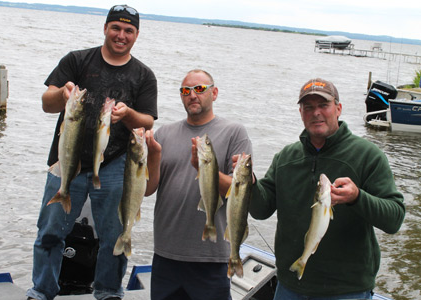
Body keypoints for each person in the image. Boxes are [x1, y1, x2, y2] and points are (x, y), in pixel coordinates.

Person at [26, 5, 158, 300]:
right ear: (105, 28)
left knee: (114, 235)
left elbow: (148, 120)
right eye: (116, 28)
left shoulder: (144, 75)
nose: (121, 35)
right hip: (67, 161)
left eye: (128, 30)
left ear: (136, 35)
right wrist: (61, 96)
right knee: (50, 231)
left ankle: (109, 292)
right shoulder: (76, 60)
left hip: (114, 165)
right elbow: (47, 103)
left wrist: (128, 114)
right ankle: (41, 291)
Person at [248, 78, 405, 299]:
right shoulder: (285, 158)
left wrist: (357, 197)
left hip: (347, 290)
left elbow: (394, 219)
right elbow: (260, 210)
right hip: (290, 286)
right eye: (308, 107)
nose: (316, 113)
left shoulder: (368, 156)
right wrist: (249, 184)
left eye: (323, 105)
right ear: (301, 113)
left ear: (338, 108)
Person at [144, 69, 253, 300]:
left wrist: (205, 169)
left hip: (211, 257)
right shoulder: (164, 132)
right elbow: (147, 189)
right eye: (185, 90)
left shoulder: (234, 132)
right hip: (166, 254)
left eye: (200, 89)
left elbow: (240, 192)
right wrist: (153, 156)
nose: (192, 95)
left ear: (214, 93)